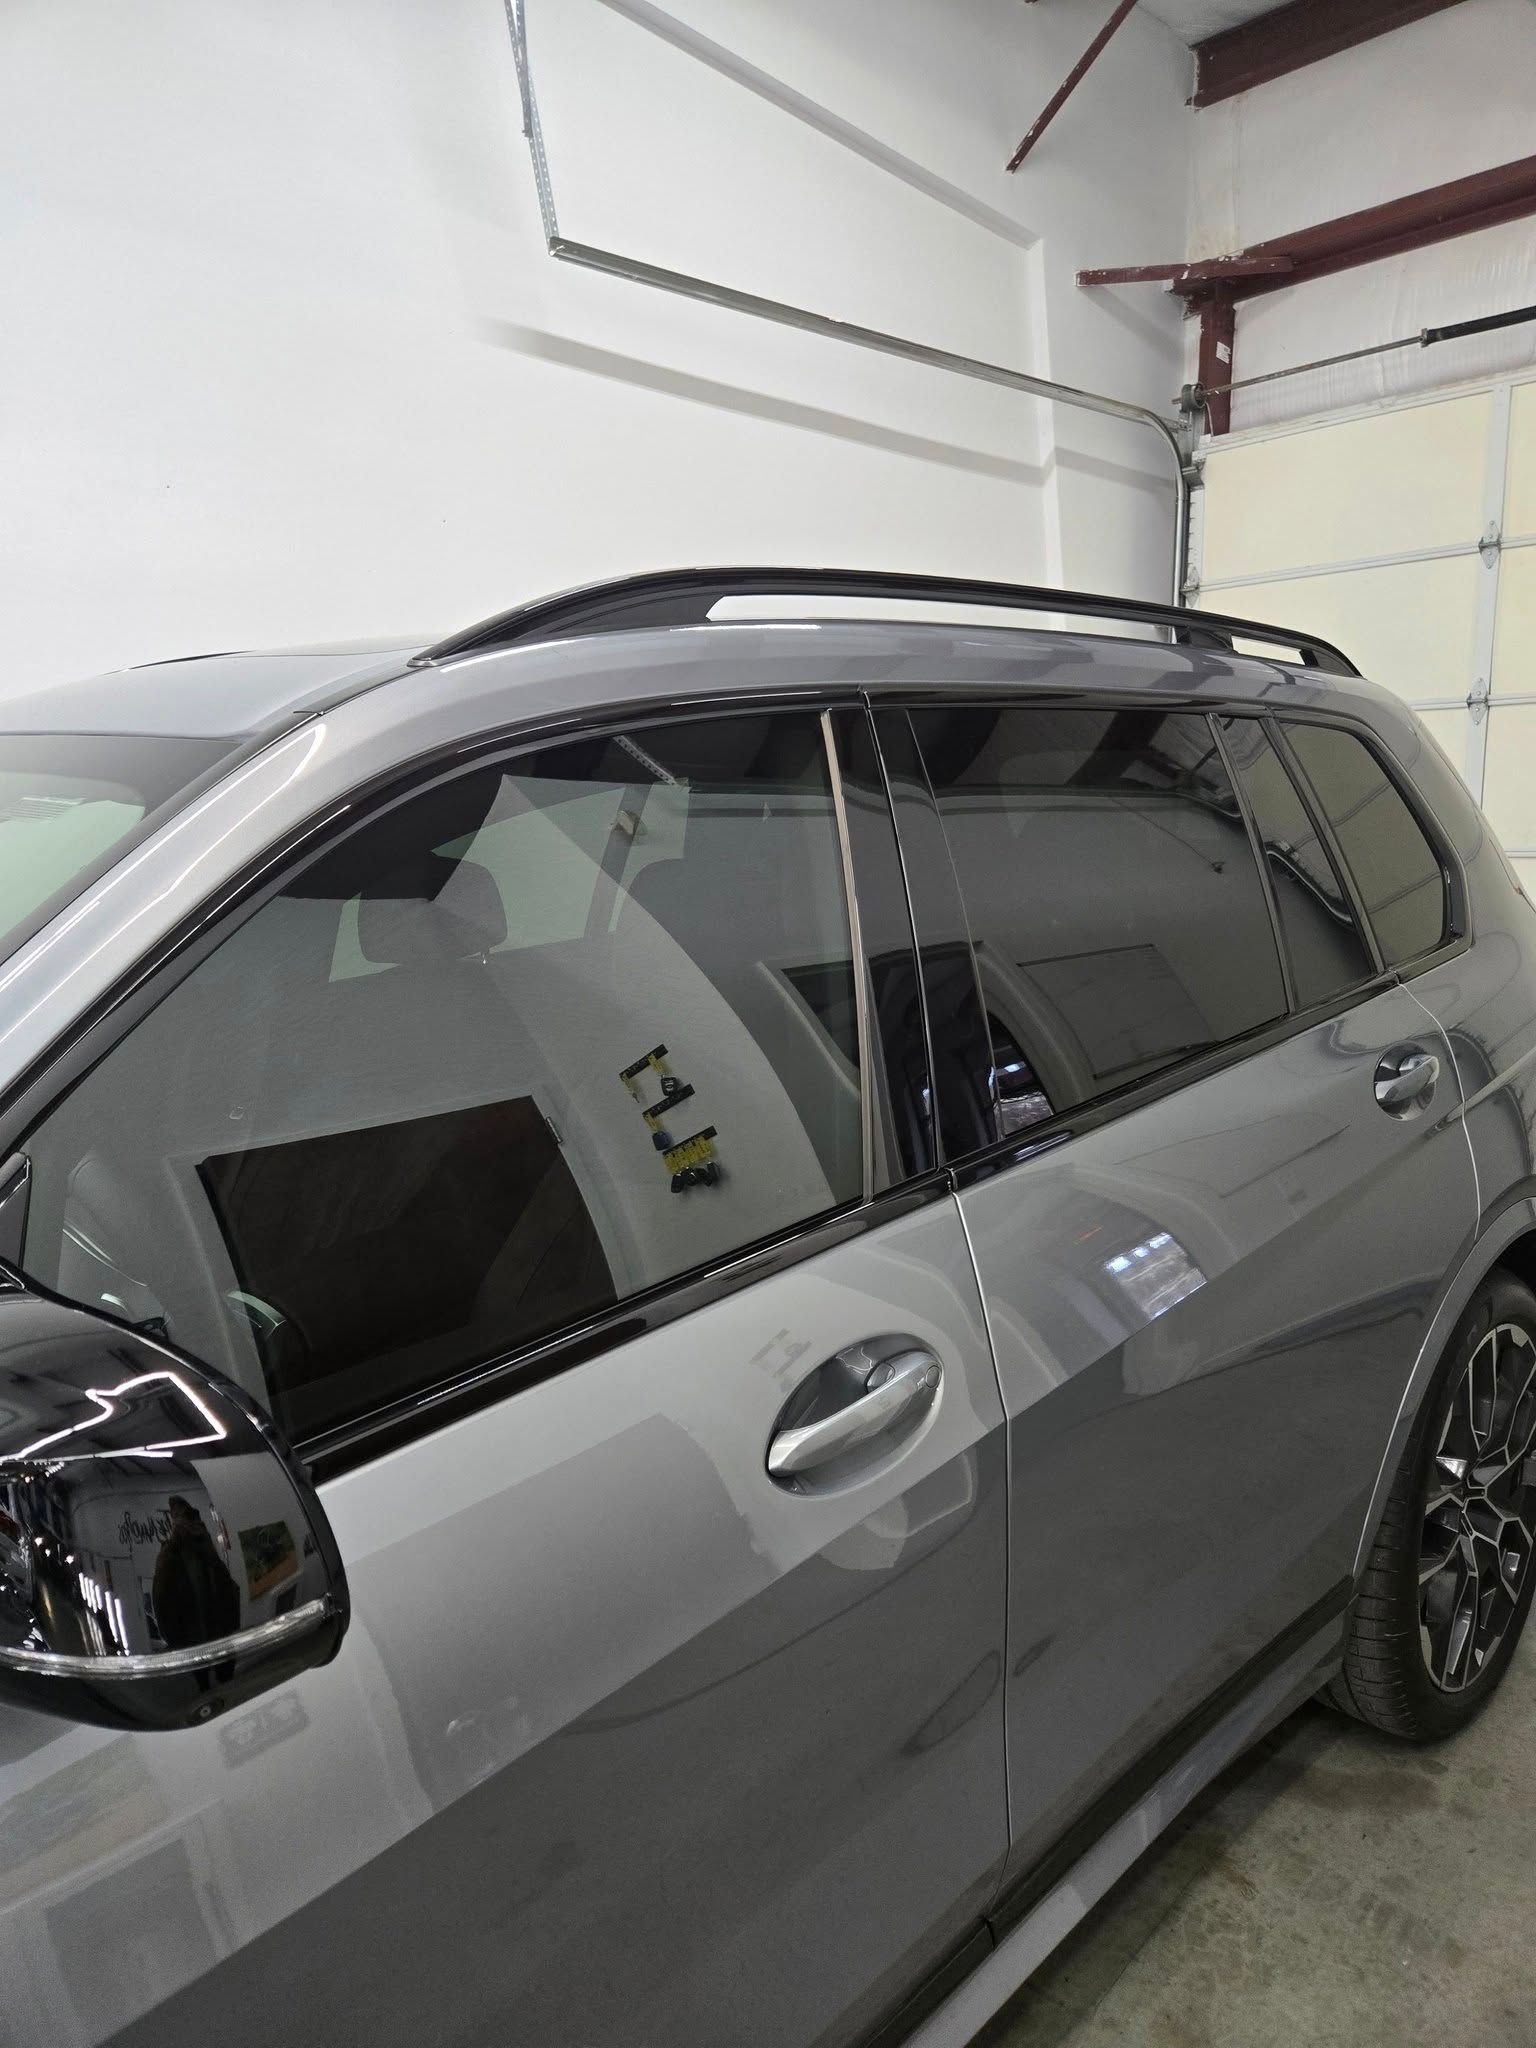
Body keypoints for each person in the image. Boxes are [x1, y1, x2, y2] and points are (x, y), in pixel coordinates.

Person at [152, 1495, 241, 1651]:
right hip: (196, 1638)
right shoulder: (172, 1554)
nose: (179, 1521)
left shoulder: (203, 1552)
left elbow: (227, 1587)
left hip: (212, 1636)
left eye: (178, 1514)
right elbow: (162, 1596)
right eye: (176, 1516)